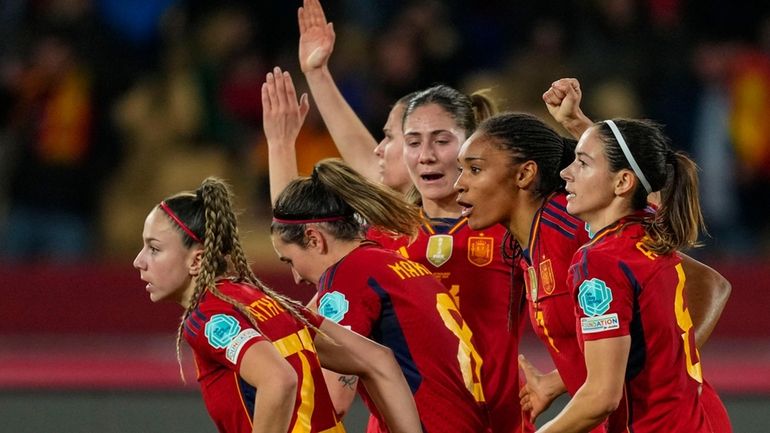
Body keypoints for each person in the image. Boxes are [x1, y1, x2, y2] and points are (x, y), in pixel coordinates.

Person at [454, 110, 731, 432]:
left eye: (474, 169)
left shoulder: (576, 228)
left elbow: (708, 284)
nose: (459, 183)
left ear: (525, 174)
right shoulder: (541, 240)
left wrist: (662, 366)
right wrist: (562, 381)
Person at [133, 177, 423, 433]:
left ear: (196, 260)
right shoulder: (267, 301)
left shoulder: (208, 316)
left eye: (154, 249)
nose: (139, 261)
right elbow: (378, 359)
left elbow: (279, 380)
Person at [270, 159, 491, 433]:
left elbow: (333, 399)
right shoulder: (393, 265)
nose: (296, 278)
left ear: (314, 239)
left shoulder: (349, 275)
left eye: (289, 261)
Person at [542, 117, 725, 432]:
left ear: (623, 182)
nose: (565, 173)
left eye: (582, 163)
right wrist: (579, 125)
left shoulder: (599, 262)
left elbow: (601, 397)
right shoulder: (650, 230)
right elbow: (641, 173)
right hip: (701, 420)